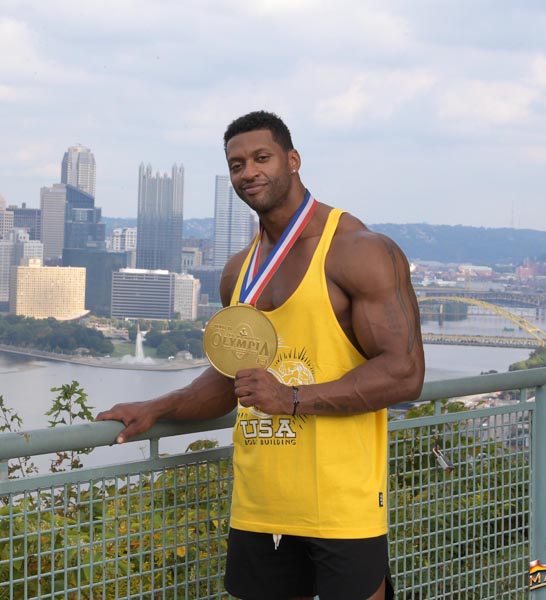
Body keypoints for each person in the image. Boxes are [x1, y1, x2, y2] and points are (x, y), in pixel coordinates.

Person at [96, 110, 425, 600]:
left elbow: (404, 373)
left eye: (261, 158)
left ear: (293, 160)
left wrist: (290, 398)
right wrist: (156, 407)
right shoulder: (239, 270)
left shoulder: (357, 249)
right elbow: (233, 379)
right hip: (259, 504)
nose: (248, 172)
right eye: (236, 165)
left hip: (341, 503)